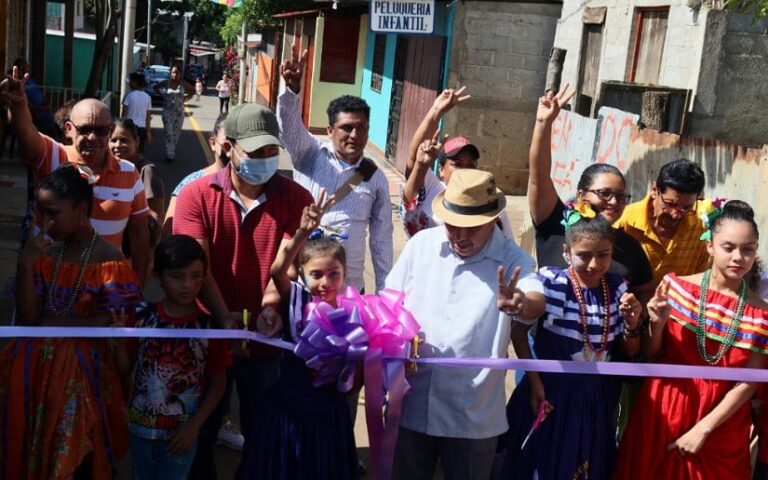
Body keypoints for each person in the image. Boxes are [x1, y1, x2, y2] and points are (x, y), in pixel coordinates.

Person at [385, 169, 539, 480]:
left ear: (492, 220)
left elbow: (536, 296)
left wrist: (520, 301)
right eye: (453, 227)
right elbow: (389, 302)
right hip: (413, 403)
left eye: (472, 228)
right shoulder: (422, 246)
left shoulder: (512, 259)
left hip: (472, 416)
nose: (460, 236)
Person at [173, 102, 313, 442]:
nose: (265, 157)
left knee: (263, 435)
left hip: (265, 339)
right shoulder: (196, 196)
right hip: (206, 335)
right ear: (227, 147)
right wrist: (224, 319)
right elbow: (197, 267)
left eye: (271, 149)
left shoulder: (297, 198)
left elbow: (288, 266)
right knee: (200, 433)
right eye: (255, 150)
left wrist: (269, 309)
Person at [0, 165, 142, 479]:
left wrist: (50, 324)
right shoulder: (41, 254)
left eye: (54, 213)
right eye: (41, 213)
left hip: (83, 381)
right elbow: (28, 318)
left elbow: (112, 329)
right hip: (33, 374)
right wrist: (25, 264)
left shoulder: (109, 261)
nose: (45, 223)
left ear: (82, 209)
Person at [614, 200, 768, 479]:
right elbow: (651, 353)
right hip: (665, 405)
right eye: (728, 247)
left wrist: (704, 429)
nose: (738, 257)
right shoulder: (676, 287)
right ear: (709, 246)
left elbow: (750, 380)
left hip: (723, 421)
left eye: (747, 250)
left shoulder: (762, 313)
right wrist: (657, 325)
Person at [499, 207, 642, 480]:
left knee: (589, 464)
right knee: (546, 462)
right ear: (567, 252)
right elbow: (519, 333)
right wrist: (536, 381)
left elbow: (630, 349)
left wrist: (633, 324)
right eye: (583, 256)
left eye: (603, 255)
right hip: (551, 395)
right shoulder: (553, 283)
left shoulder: (617, 288)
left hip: (596, 400)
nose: (593, 265)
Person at [239, 189, 359, 479]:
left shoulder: (354, 311)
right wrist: (303, 232)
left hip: (328, 414)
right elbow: (279, 269)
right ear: (303, 274)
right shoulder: (295, 298)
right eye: (316, 274)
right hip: (288, 408)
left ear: (345, 274)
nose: (325, 281)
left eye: (334, 273)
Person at [2, 67, 152, 283]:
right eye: (84, 129)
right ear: (68, 129)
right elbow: (26, 132)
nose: (92, 137)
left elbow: (139, 234)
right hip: (48, 285)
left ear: (109, 132)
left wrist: (137, 287)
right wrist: (19, 104)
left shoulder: (129, 173)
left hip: (104, 293)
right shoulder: (52, 156)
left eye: (101, 131)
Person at [278, 47, 393, 294]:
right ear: (330, 130)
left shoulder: (375, 178)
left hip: (349, 294)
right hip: (303, 288)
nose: (355, 135)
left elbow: (381, 240)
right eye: (347, 128)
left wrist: (385, 293)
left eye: (362, 128)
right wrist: (292, 91)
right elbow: (289, 127)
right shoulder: (308, 154)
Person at [126, 235, 230, 479]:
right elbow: (125, 369)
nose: (187, 285)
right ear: (158, 276)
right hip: (139, 430)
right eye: (177, 276)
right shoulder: (141, 318)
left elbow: (219, 384)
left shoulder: (209, 328)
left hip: (180, 438)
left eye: (196, 276)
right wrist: (119, 345)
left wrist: (193, 428)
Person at [528, 85, 652, 289]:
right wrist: (543, 123)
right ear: (581, 195)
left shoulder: (629, 246)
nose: (613, 202)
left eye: (621, 196)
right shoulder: (554, 222)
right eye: (604, 194)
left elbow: (645, 290)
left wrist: (636, 311)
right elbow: (538, 176)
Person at [400, 86, 516, 239]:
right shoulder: (433, 189)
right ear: (441, 169)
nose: (465, 169)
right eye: (457, 164)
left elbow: (508, 247)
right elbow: (415, 158)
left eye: (471, 164)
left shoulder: (491, 205)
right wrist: (435, 112)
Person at [614, 158, 711, 288]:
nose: (676, 214)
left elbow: (700, 280)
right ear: (655, 190)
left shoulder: (701, 230)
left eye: (687, 207)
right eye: (670, 204)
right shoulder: (624, 222)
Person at [163, 113, 229, 236]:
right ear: (213, 143)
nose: (235, 149)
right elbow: (169, 232)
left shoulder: (259, 187)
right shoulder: (190, 184)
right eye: (228, 142)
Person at [110, 117, 165, 248]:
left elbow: (155, 219)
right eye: (113, 140)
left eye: (124, 140)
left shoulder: (147, 171)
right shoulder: (110, 168)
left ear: (137, 142)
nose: (118, 145)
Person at [156, 65, 194, 163]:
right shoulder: (166, 82)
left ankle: (171, 150)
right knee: (168, 132)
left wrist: (186, 98)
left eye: (176, 72)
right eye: (173, 72)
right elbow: (155, 87)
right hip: (167, 111)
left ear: (180, 74)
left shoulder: (183, 83)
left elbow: (193, 90)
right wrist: (163, 94)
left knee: (176, 134)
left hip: (179, 113)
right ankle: (170, 155)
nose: (174, 74)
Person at [121, 72, 153, 153]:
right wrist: (148, 132)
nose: (129, 83)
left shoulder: (129, 95)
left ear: (135, 83)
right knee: (139, 150)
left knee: (128, 149)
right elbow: (148, 117)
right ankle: (139, 164)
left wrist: (121, 126)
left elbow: (124, 114)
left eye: (131, 81)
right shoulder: (148, 97)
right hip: (142, 128)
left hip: (130, 127)